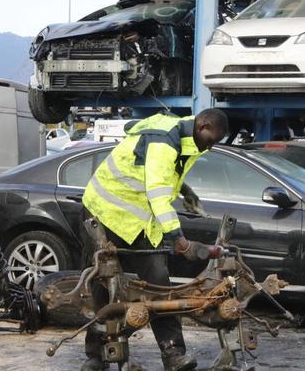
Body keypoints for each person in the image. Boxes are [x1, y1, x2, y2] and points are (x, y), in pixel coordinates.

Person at [80, 109, 229, 371]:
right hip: (104, 211)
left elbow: (161, 172)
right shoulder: (165, 139)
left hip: (138, 219)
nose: (211, 146)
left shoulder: (189, 140)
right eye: (210, 140)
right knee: (104, 282)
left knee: (159, 283)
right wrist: (180, 240)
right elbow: (157, 194)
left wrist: (185, 191)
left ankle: (173, 354)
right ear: (201, 124)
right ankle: (98, 355)